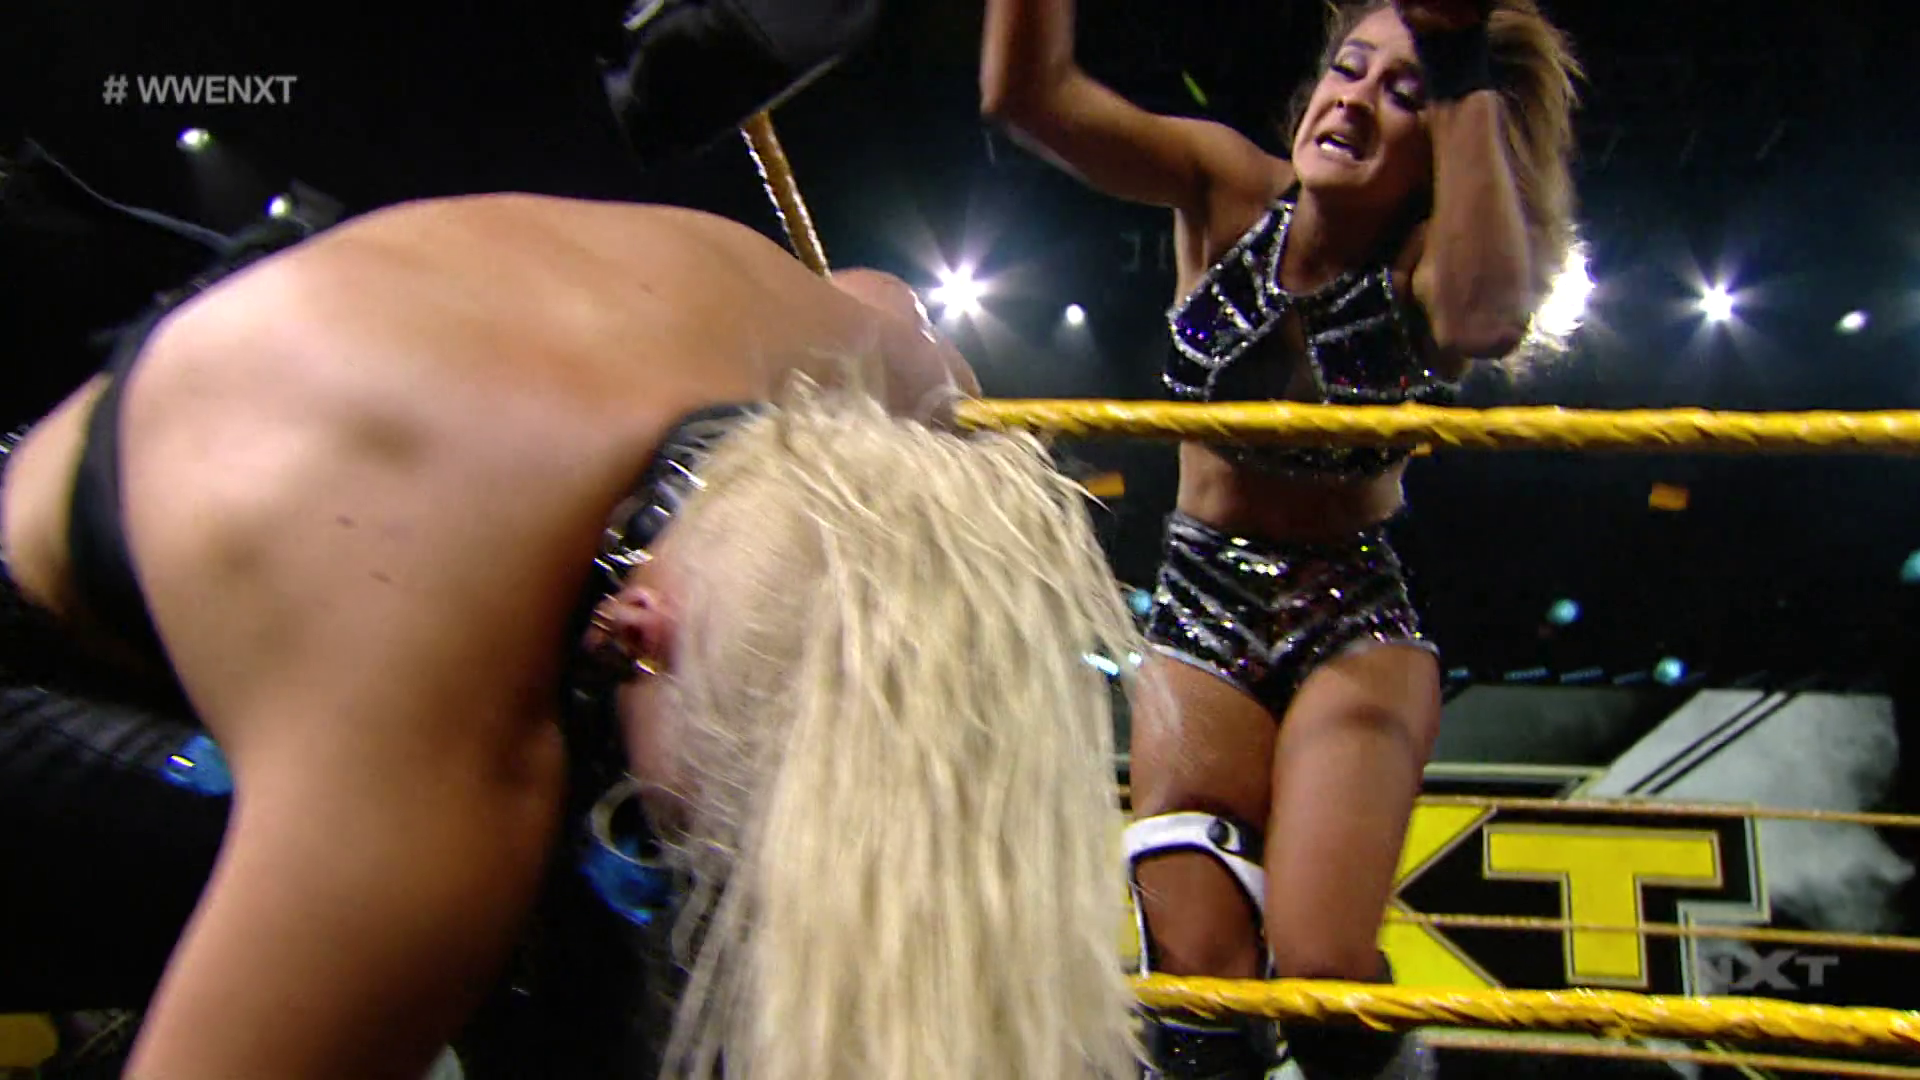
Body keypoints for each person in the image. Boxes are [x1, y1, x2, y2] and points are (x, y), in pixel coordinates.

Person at [0, 193, 1146, 1079]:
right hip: (43, 644)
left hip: (338, 419)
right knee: (534, 930)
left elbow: (886, 299)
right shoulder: (435, 761)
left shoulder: (866, 370)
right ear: (632, 631)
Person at [981, 1, 1581, 1076]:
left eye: (1403, 91)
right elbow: (1031, 101)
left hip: (1350, 621)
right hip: (1198, 609)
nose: (1353, 100)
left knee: (1322, 978)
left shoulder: (1435, 269)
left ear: (1447, 135)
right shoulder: (1227, 188)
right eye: (1348, 69)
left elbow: (1486, 321)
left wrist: (1462, 67)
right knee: (1201, 1003)